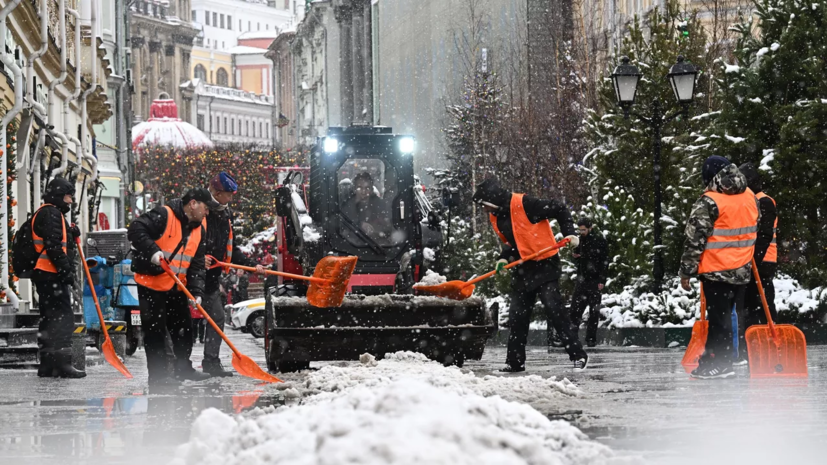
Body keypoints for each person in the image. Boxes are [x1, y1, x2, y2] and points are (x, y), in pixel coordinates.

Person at [472, 178, 587, 372]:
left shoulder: (524, 203)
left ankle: (578, 356)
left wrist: (569, 233)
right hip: (523, 268)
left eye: (484, 205)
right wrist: (503, 258)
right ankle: (515, 362)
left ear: (493, 200)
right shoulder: (496, 216)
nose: (483, 209)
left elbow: (559, 208)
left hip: (545, 264)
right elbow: (511, 242)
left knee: (554, 309)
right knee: (518, 316)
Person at [680, 156, 759, 380]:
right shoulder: (750, 196)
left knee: (718, 320)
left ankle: (718, 363)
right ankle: (719, 361)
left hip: (716, 271)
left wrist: (687, 271)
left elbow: (694, 239)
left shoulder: (709, 202)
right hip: (742, 270)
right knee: (727, 318)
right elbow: (754, 226)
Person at [128, 188, 215, 387]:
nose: (207, 213)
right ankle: (158, 377)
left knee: (184, 330)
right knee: (155, 333)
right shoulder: (164, 215)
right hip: (151, 285)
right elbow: (135, 229)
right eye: (205, 207)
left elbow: (197, 264)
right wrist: (152, 251)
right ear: (193, 203)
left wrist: (197, 291)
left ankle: (183, 369)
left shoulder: (199, 229)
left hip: (176, 287)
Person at [201, 172, 265, 377]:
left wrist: (250, 264)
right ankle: (178, 366)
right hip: (189, 275)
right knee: (182, 322)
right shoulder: (200, 210)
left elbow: (230, 247)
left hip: (211, 277)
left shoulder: (224, 214)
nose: (231, 198)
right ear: (217, 193)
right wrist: (198, 259)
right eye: (229, 194)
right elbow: (187, 240)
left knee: (217, 317)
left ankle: (211, 362)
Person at [31, 178, 85, 378]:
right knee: (63, 318)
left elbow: (55, 240)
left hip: (45, 275)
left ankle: (47, 364)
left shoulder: (49, 213)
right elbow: (53, 246)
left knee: (49, 318)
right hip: (50, 273)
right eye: (69, 196)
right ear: (60, 195)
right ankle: (63, 363)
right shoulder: (52, 214)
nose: (70, 201)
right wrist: (66, 272)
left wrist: (70, 234)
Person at [736, 162, 778, 364]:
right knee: (751, 305)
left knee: (762, 305)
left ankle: (767, 345)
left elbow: (765, 234)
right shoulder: (751, 201)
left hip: (762, 261)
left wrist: (753, 258)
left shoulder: (764, 202)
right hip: (752, 261)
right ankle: (753, 347)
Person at [569, 217, 609, 347]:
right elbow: (579, 258)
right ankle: (572, 336)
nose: (582, 232)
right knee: (576, 309)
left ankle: (591, 338)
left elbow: (603, 260)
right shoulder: (580, 240)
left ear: (590, 228)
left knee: (594, 311)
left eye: (584, 230)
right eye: (580, 230)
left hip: (594, 279)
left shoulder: (599, 240)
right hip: (582, 278)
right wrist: (576, 256)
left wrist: (602, 279)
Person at [342, 172, 392, 242]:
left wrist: (375, 229)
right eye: (359, 188)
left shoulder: (381, 205)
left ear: (371, 190)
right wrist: (359, 225)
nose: (363, 192)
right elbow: (343, 225)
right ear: (354, 189)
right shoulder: (347, 206)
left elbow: (388, 227)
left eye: (367, 188)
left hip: (377, 245)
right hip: (352, 246)